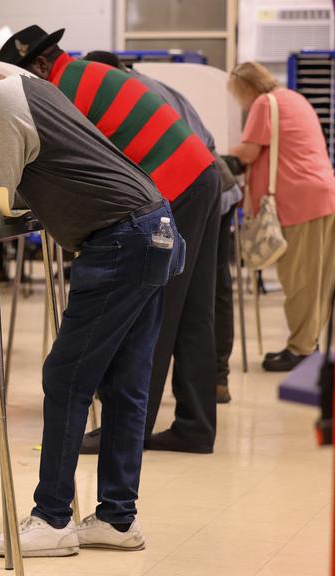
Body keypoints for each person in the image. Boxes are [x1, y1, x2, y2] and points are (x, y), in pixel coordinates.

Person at [0, 49, 182, 556]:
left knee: (66, 378)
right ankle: (117, 518)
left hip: (118, 239)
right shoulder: (32, 87)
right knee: (125, 385)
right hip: (153, 226)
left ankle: (51, 518)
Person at [0, 27, 221, 453]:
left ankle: (126, 432)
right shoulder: (84, 75)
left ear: (41, 64)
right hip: (200, 173)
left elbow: (77, 167)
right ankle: (195, 426)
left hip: (175, 184)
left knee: (149, 311)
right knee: (194, 311)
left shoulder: (64, 91)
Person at [83, 51, 241, 404]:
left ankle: (135, 412)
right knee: (208, 292)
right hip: (216, 183)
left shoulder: (123, 94)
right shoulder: (154, 86)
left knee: (164, 299)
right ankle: (213, 387)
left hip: (186, 186)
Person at [228, 62, 335, 372]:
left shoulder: (265, 103)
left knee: (299, 279)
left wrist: (217, 152)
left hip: (298, 201)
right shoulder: (295, 98)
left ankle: (300, 350)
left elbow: (248, 153)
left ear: (246, 88)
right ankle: (307, 342)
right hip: (322, 195)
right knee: (318, 279)